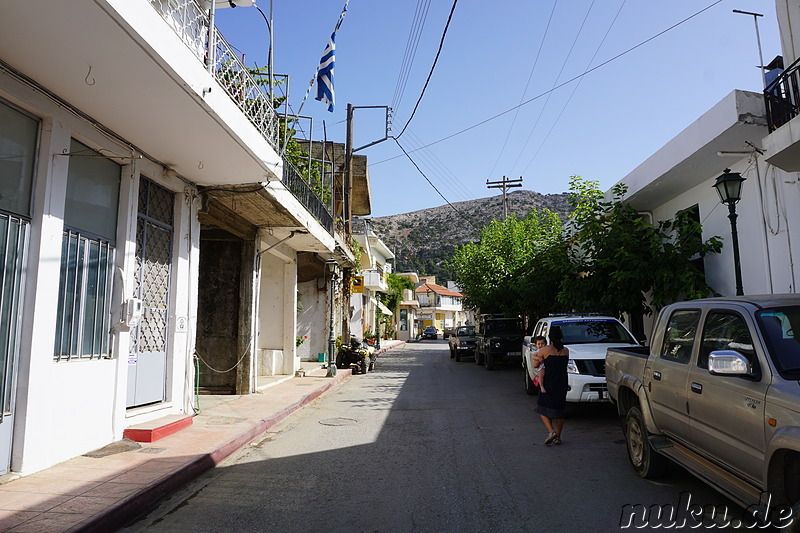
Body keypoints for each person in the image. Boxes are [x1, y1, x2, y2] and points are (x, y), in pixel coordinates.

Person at [533, 325, 569, 445]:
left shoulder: (544, 350)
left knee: (542, 408)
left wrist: (537, 357)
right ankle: (558, 437)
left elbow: (536, 366)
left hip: (549, 383)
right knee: (560, 411)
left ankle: (551, 432)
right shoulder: (565, 351)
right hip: (562, 383)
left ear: (549, 337)